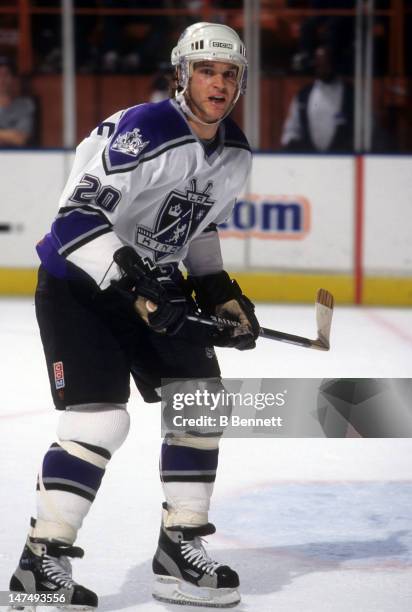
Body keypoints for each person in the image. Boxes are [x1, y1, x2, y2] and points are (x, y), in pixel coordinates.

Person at [9, 22, 259, 610]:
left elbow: (198, 228)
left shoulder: (236, 153)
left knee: (201, 400)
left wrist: (220, 290)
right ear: (182, 74)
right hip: (80, 286)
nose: (218, 84)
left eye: (229, 74)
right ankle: (39, 564)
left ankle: (178, 550)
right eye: (206, 71)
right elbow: (73, 221)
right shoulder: (143, 130)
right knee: (98, 424)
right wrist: (141, 288)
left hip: (152, 286)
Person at [281, 44, 354, 153]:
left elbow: (365, 130)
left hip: (344, 159)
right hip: (310, 162)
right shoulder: (304, 95)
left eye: (326, 64)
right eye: (320, 64)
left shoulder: (350, 94)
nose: (323, 68)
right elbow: (291, 130)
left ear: (333, 64)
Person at [0, 57, 35, 147]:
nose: (2, 79)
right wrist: (9, 135)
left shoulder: (25, 105)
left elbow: (20, 139)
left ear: (13, 79)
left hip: (17, 158)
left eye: (5, 74)